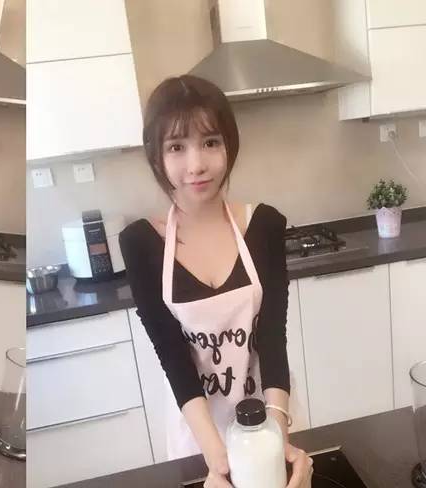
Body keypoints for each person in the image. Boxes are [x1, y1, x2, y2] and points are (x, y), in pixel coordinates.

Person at [119, 75, 312, 488]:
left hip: (269, 415)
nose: (196, 165)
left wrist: (273, 439)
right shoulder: (141, 243)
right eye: (176, 147)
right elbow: (171, 354)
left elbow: (272, 338)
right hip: (197, 433)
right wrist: (216, 455)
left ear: (229, 146)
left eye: (210, 142)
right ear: (157, 156)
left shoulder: (264, 225)